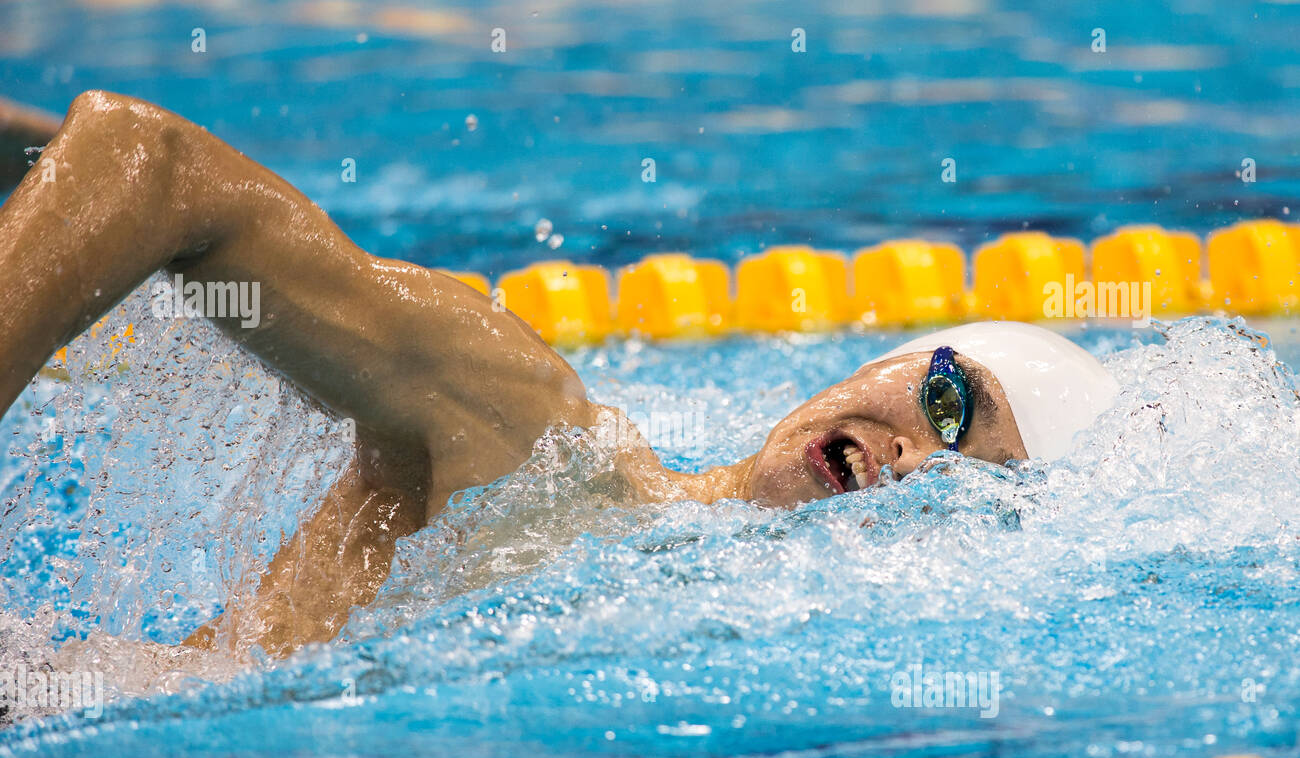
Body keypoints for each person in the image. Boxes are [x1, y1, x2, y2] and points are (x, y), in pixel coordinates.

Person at [0, 91, 1118, 659]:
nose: (916, 460)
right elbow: (142, 161)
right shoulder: (543, 436)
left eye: (973, 478)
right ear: (874, 363)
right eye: (944, 401)